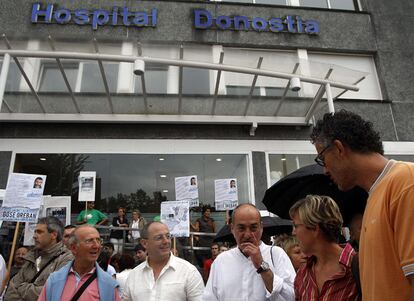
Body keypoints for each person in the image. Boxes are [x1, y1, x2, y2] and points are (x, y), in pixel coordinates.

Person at [310, 110, 414, 301]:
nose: (325, 170)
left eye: (322, 159)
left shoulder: (406, 182)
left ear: (339, 149)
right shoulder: (376, 194)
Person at [202, 203, 295, 301]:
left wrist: (262, 266)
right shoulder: (221, 261)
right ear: (232, 229)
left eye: (253, 228)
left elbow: (292, 296)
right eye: (241, 228)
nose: (247, 234)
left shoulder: (276, 254)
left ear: (261, 227)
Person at [289, 195, 359, 300]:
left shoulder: (358, 267)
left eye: (296, 226)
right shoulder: (303, 274)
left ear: (315, 229)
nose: (293, 233)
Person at [122, 221, 204, 301]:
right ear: (144, 243)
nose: (166, 241)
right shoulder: (134, 275)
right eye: (159, 238)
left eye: (168, 236)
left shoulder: (189, 272)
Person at [38, 225, 120, 301]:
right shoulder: (54, 280)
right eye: (89, 241)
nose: (96, 246)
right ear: (74, 248)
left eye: (98, 240)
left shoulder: (109, 284)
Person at [4, 217, 73, 301]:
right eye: (35, 232)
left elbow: (55, 292)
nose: (34, 236)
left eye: (39, 232)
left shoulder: (67, 258)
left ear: (54, 235)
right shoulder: (31, 257)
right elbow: (11, 291)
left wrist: (23, 288)